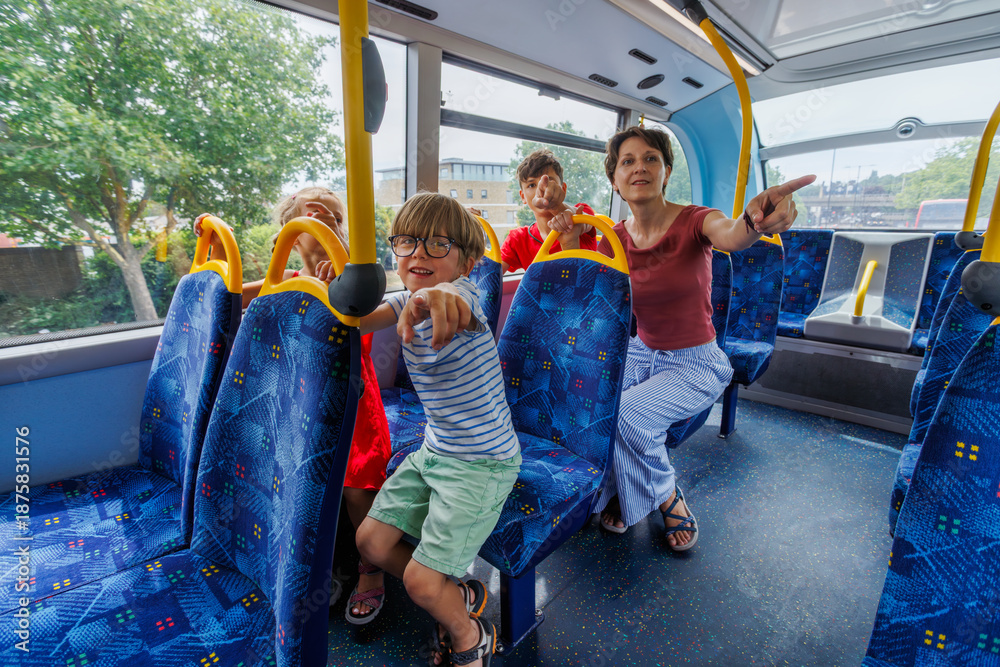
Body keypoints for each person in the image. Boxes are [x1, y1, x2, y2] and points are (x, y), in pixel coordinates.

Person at [548, 125, 815, 551]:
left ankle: (667, 494)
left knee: (629, 417)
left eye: (651, 158)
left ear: (667, 171)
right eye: (627, 161)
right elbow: (586, 296)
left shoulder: (695, 220)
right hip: (639, 351)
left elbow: (733, 234)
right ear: (614, 180)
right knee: (587, 403)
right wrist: (566, 239)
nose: (640, 168)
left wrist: (755, 219)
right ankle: (625, 490)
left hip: (693, 359)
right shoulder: (613, 237)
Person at [194, 186, 392, 622]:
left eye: (335, 219)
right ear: (289, 232)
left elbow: (362, 312)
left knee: (357, 490)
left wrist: (335, 285)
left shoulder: (352, 281)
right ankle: (299, 562)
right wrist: (210, 242)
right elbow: (228, 294)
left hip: (353, 408)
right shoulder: (279, 283)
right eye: (311, 217)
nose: (323, 224)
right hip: (296, 406)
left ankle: (371, 571)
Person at [355, 192, 521, 667]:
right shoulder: (406, 297)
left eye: (437, 244)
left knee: (419, 583)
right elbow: (352, 317)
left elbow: (452, 304)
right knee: (369, 542)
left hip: (483, 463)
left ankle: (470, 636)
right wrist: (319, 289)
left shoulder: (462, 299)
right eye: (406, 242)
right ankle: (457, 593)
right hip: (436, 451)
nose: (418, 254)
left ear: (467, 261)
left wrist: (431, 297)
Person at [501, 148, 598, 273]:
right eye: (531, 185)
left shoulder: (582, 211)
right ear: (523, 196)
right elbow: (491, 275)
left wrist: (556, 206)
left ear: (563, 188)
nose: (540, 190)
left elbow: (585, 221)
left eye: (549, 181)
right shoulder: (518, 239)